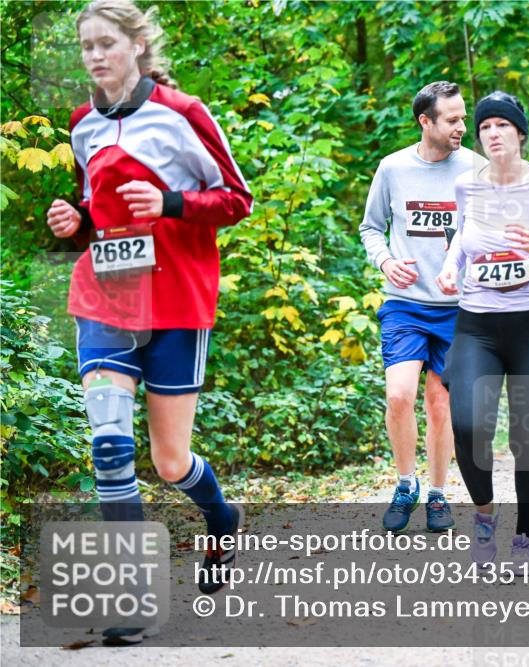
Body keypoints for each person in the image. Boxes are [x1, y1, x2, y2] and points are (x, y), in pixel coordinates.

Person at [45, 0, 252, 644]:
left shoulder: (182, 113)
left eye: (107, 43)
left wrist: (171, 202)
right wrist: (76, 221)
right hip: (106, 297)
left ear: (137, 45)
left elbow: (237, 200)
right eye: (87, 46)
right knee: (109, 445)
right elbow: (95, 210)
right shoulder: (82, 124)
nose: (96, 56)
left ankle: (222, 517)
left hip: (178, 300)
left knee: (169, 461)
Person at [435, 91, 529, 569]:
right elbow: (461, 237)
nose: (492, 133)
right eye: (484, 126)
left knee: (528, 442)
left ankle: (524, 540)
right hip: (477, 325)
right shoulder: (466, 185)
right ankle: (484, 517)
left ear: (520, 133)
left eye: (502, 124)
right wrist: (450, 266)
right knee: (467, 426)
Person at [359, 81, 478, 533]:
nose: (462, 127)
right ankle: (406, 484)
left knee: (440, 404)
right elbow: (371, 228)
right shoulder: (393, 168)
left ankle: (438, 494)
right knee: (399, 395)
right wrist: (386, 261)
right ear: (425, 121)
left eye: (463, 118)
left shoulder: (476, 169)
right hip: (405, 304)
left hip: (458, 307)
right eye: (452, 119)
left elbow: (492, 230)